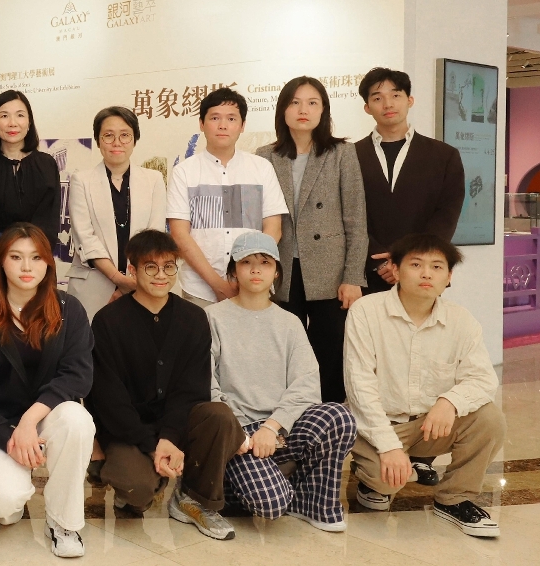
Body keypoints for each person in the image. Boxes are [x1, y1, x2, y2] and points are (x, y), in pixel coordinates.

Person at [88, 229, 245, 540]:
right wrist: (152, 446)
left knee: (219, 416)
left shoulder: (193, 318)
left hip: (177, 424)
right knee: (138, 488)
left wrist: (170, 438)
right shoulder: (108, 321)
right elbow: (109, 399)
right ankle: (139, 484)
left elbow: (192, 390)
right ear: (132, 270)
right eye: (151, 267)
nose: (161, 275)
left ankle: (194, 498)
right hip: (128, 430)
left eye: (169, 266)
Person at [344, 232, 504, 538]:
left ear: (449, 277)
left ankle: (454, 498)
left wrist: (450, 402)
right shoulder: (366, 312)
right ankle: (370, 476)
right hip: (378, 425)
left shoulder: (461, 320)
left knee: (490, 419)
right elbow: (359, 387)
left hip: (429, 426)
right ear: (395, 269)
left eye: (437, 267)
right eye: (416, 265)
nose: (426, 274)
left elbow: (483, 378)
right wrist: (390, 447)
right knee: (386, 481)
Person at [0, 223, 94, 558]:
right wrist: (11, 438)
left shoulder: (69, 310)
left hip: (47, 417)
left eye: (36, 257)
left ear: (48, 263)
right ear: (1, 262)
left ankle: (63, 522)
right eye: (16, 257)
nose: (26, 267)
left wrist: (30, 421)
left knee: (77, 419)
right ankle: (15, 487)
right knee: (4, 504)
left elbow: (77, 375)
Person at [354, 67, 464, 485]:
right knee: (377, 366)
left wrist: (407, 262)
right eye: (377, 97)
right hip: (367, 273)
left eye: (396, 95)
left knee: (422, 360)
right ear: (367, 107)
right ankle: (376, 445)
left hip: (420, 275)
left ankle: (421, 451)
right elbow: (349, 215)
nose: (388, 104)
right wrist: (380, 262)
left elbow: (446, 214)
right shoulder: (351, 156)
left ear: (410, 100)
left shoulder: (443, 155)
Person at [208, 231, 357, 533]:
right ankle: (234, 484)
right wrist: (239, 434)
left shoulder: (289, 322)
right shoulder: (212, 317)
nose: (256, 270)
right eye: (246, 262)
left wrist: (272, 426)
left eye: (265, 263)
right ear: (233, 270)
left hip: (279, 429)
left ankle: (311, 503)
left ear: (276, 271)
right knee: (272, 504)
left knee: (339, 417)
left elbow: (307, 384)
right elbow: (204, 383)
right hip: (237, 433)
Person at [256, 77, 368, 403]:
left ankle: (328, 414)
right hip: (281, 267)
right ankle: (288, 412)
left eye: (312, 102)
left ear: (323, 110)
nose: (303, 109)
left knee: (330, 347)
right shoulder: (265, 156)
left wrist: (353, 277)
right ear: (283, 110)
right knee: (284, 346)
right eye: (295, 102)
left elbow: (356, 220)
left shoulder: (341, 153)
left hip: (329, 270)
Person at [167, 88, 286, 308]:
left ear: (242, 125)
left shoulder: (261, 168)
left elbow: (274, 228)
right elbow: (179, 234)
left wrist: (246, 276)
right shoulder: (184, 172)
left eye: (231, 119)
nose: (223, 125)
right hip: (199, 290)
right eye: (215, 118)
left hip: (252, 288)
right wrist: (218, 284)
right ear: (201, 124)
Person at [66, 106, 167, 320]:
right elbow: (85, 237)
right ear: (98, 140)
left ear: (134, 140)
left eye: (125, 135)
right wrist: (119, 280)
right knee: (90, 339)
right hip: (93, 285)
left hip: (141, 285)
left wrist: (131, 283)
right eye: (108, 135)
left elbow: (153, 237)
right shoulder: (81, 181)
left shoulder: (154, 180)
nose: (117, 142)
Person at [0, 91, 60, 309]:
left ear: (29, 122)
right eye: (4, 115)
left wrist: (27, 263)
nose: (12, 123)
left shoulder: (47, 165)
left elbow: (48, 220)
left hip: (35, 268)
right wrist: (7, 263)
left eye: (20, 115)